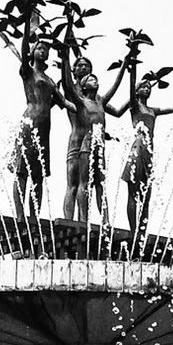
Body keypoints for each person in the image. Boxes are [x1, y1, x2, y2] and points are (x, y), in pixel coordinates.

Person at [113, 57, 173, 239]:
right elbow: (130, 88)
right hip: (137, 148)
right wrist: (132, 68)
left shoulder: (153, 110)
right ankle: (133, 232)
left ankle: (142, 232)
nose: (147, 89)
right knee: (132, 193)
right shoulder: (134, 105)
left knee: (146, 196)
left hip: (149, 151)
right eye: (144, 86)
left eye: (149, 87)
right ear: (138, 90)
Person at [59, 38, 127, 224]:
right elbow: (66, 83)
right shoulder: (73, 91)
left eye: (87, 67)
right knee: (74, 184)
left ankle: (101, 221)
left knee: (97, 183)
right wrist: (65, 56)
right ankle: (71, 222)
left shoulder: (98, 99)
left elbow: (118, 111)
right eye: (79, 66)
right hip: (77, 141)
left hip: (95, 143)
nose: (83, 69)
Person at [10, 28, 65, 228]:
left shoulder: (50, 80)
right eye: (40, 48)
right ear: (32, 51)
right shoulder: (28, 72)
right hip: (29, 122)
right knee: (21, 171)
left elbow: (64, 103)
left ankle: (34, 215)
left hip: (44, 127)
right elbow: (24, 48)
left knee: (39, 174)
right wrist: (26, 22)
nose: (43, 51)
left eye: (46, 49)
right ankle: (19, 214)